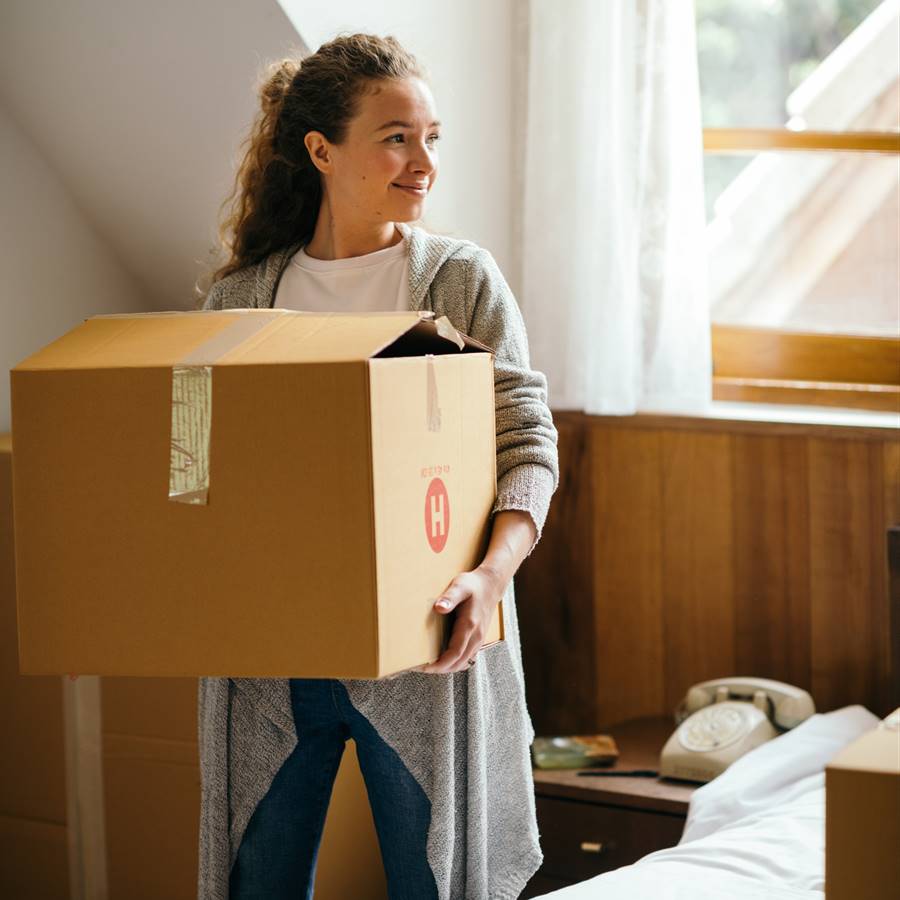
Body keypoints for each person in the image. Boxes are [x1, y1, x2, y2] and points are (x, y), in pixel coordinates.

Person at [194, 33, 559, 900]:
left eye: (433, 136)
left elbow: (527, 446)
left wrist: (490, 578)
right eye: (397, 136)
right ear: (322, 150)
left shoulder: (458, 280)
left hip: (427, 649)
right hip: (271, 652)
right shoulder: (241, 298)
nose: (422, 161)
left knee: (437, 883)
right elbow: (194, 469)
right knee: (256, 884)